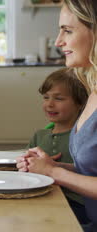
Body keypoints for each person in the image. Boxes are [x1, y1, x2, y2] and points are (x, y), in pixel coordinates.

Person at [17, 0, 97, 231]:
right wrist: (52, 167)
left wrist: (54, 172)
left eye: (68, 31)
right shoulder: (93, 89)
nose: (59, 41)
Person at [26, 67, 88, 223]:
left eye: (59, 99)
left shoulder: (84, 138)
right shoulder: (39, 136)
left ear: (80, 103)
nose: (50, 104)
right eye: (46, 98)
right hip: (42, 198)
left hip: (76, 205)